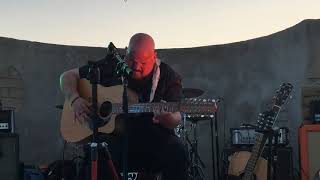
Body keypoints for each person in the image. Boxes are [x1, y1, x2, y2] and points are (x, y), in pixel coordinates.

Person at [60, 33, 188, 179]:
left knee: (177, 151)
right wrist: (75, 99)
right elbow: (67, 76)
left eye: (143, 63)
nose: (136, 67)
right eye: (132, 60)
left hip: (152, 138)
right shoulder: (113, 64)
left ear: (154, 56)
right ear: (126, 51)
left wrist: (166, 118)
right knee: (95, 155)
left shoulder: (168, 76)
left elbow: (176, 117)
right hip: (115, 139)